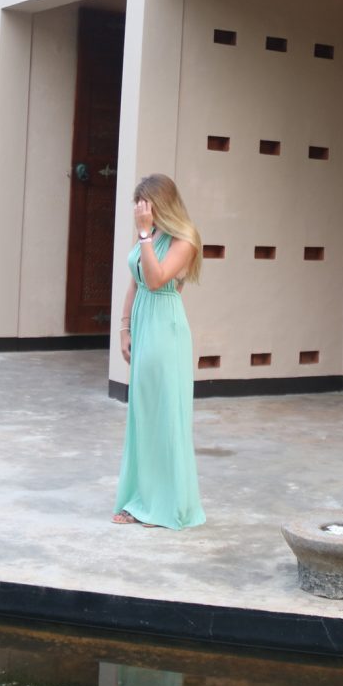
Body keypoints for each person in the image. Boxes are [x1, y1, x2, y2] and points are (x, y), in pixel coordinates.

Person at [112, 173, 206, 529]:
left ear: (160, 204)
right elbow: (135, 281)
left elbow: (155, 280)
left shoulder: (185, 239)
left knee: (165, 415)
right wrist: (125, 328)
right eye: (138, 206)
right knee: (144, 414)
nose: (140, 211)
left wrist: (144, 234)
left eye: (145, 204)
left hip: (166, 331)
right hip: (143, 326)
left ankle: (166, 506)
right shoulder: (150, 236)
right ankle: (141, 499)